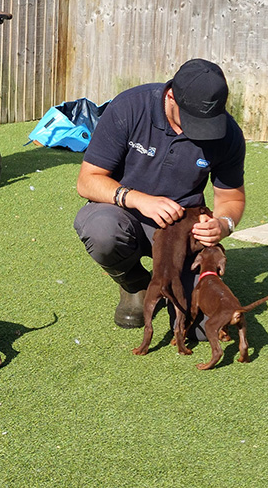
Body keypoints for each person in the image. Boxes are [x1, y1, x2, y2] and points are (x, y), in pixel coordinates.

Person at [74, 59, 246, 338]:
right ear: (170, 96)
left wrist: (224, 224)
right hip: (124, 213)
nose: (198, 131)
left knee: (203, 330)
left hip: (181, 228)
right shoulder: (129, 107)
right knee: (101, 232)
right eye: (191, 120)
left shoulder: (228, 134)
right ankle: (134, 282)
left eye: (207, 123)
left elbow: (232, 198)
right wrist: (139, 199)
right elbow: (87, 180)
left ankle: (175, 284)